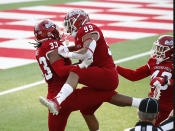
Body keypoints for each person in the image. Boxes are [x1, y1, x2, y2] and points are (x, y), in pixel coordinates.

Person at [34, 19, 142, 131]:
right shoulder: (52, 44)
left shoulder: (39, 50)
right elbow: (61, 71)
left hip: (51, 96)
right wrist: (82, 65)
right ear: (50, 32)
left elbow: (56, 68)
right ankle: (142, 103)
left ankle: (56, 101)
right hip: (68, 97)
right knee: (106, 94)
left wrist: (71, 52)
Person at [116, 35, 174, 126]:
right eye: (157, 48)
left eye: (161, 49)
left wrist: (166, 81)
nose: (157, 51)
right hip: (154, 107)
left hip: (170, 110)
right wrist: (115, 67)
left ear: (171, 51)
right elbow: (134, 75)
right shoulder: (153, 61)